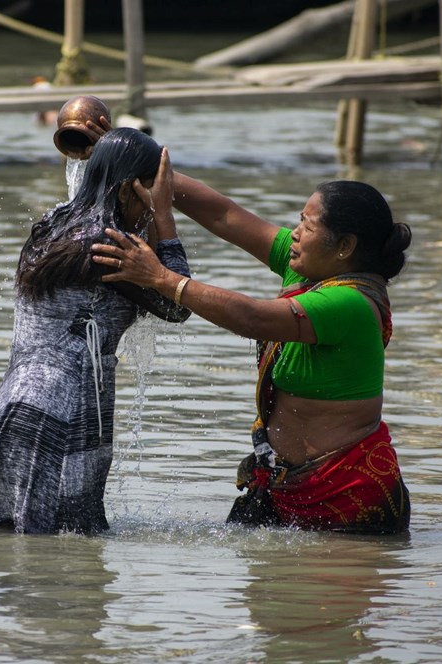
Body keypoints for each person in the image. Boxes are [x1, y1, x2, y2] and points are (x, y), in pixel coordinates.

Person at [93, 173, 412, 534]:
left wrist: (161, 278)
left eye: (307, 226)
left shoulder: (350, 303)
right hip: (285, 489)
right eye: (298, 221)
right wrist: (146, 166)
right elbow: (223, 215)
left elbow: (253, 318)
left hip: (348, 499)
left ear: (344, 246)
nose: (294, 233)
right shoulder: (308, 272)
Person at [0, 128, 192, 535]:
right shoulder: (109, 247)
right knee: (62, 565)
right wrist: (166, 218)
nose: (159, 199)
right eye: (155, 191)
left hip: (18, 402)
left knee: (11, 552)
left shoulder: (55, 224)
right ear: (126, 192)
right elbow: (177, 302)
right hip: (63, 411)